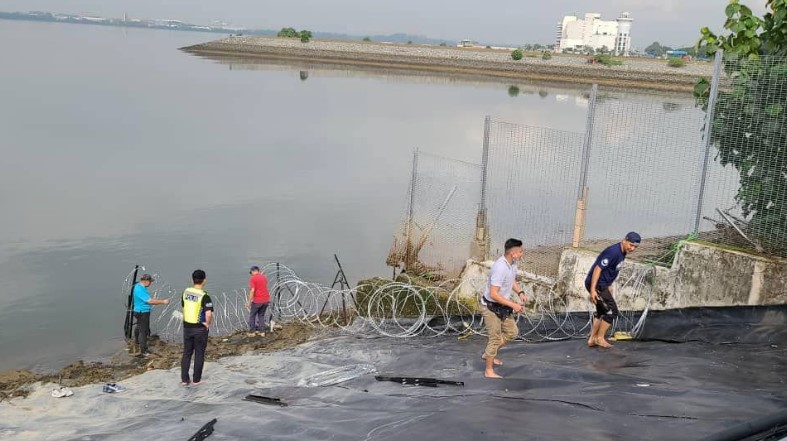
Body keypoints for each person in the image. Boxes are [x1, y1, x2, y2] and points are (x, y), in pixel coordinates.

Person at [481, 238, 529, 379]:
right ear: (513, 253)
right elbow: (493, 294)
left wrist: (520, 292)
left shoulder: (512, 264)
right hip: (491, 307)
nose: (522, 253)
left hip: (502, 306)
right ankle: (488, 370)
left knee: (512, 332)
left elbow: (511, 280)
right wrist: (513, 304)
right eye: (520, 251)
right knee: (495, 339)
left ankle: (489, 354)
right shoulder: (500, 267)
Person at [585, 232, 641, 349]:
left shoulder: (623, 251)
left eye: (635, 247)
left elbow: (611, 269)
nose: (632, 248)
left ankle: (592, 339)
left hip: (603, 284)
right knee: (611, 311)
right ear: (624, 240)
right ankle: (600, 338)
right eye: (631, 245)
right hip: (598, 285)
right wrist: (593, 290)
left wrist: (609, 284)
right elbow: (597, 268)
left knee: (602, 311)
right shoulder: (614, 252)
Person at [181, 269, 213, 386]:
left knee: (187, 353)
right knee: (199, 353)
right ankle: (196, 380)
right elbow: (208, 314)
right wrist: (207, 323)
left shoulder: (186, 292)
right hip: (199, 328)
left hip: (187, 326)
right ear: (204, 280)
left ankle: (184, 380)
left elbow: (183, 308)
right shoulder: (204, 296)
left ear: (192, 279)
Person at [132, 274, 169, 357]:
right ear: (145, 281)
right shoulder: (140, 289)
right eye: (150, 281)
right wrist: (163, 302)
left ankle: (137, 341)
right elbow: (150, 301)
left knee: (139, 326)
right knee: (143, 331)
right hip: (142, 312)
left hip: (138, 311)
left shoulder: (138, 286)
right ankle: (144, 351)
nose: (150, 283)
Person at [245, 265, 270, 337]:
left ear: (253, 271)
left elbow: (252, 290)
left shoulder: (253, 279)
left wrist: (249, 302)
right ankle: (262, 332)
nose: (251, 274)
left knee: (252, 315)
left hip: (257, 300)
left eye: (251, 272)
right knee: (261, 315)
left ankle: (252, 332)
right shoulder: (264, 277)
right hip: (266, 300)